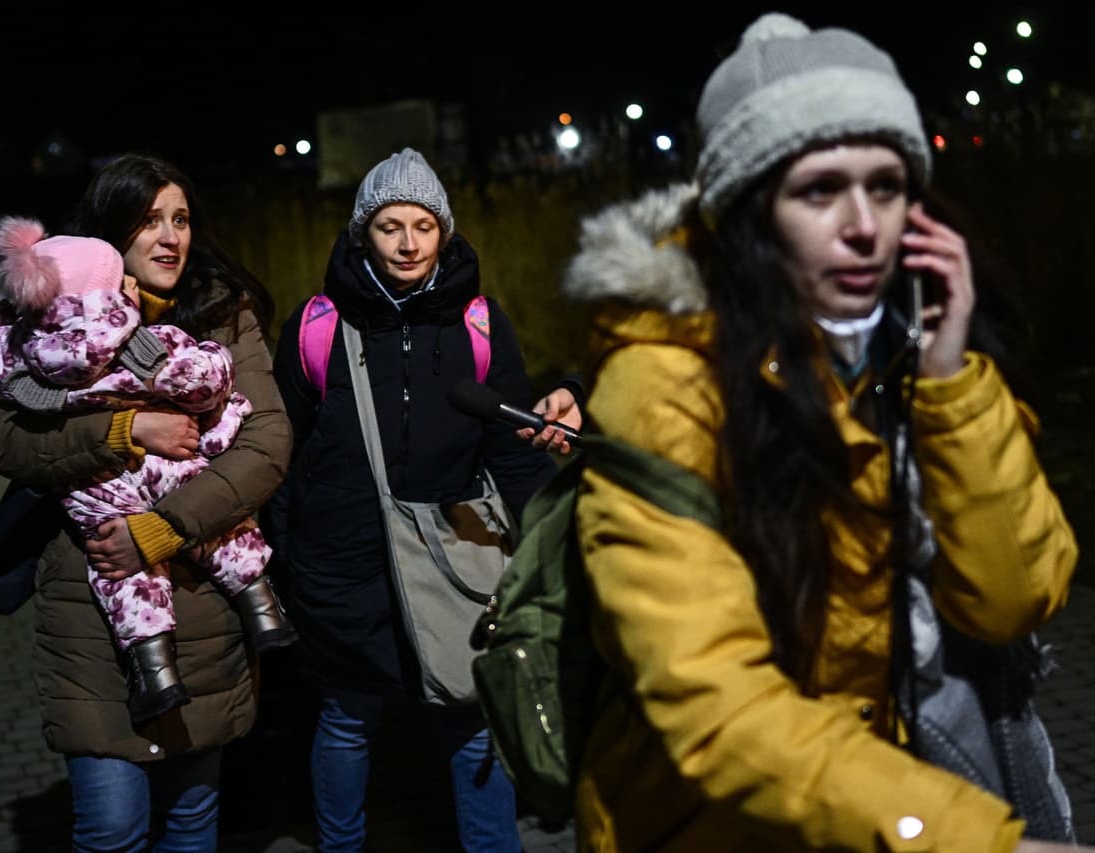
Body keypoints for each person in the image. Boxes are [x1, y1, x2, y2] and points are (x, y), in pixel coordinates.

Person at [560, 13, 1082, 853]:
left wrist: (951, 388)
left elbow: (1013, 599)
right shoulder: (664, 381)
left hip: (882, 805)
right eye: (819, 189)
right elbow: (714, 706)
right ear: (748, 214)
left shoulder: (911, 353)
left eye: (886, 185)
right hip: (721, 825)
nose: (864, 224)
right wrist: (964, 838)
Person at [0, 153, 292, 851]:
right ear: (112, 230)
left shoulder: (219, 312)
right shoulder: (49, 305)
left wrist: (163, 527)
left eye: (180, 219)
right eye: (149, 221)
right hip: (91, 610)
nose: (169, 237)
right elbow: (0, 434)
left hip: (204, 607)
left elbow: (265, 442)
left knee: (192, 822)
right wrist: (123, 428)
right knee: (112, 828)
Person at [265, 148, 565, 852]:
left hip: (454, 557)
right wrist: (286, 560)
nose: (407, 243)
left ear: (445, 232)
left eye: (424, 226)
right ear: (362, 232)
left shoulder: (481, 324)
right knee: (346, 720)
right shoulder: (315, 330)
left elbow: (512, 449)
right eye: (390, 226)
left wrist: (544, 545)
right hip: (346, 566)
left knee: (472, 717)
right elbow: (281, 455)